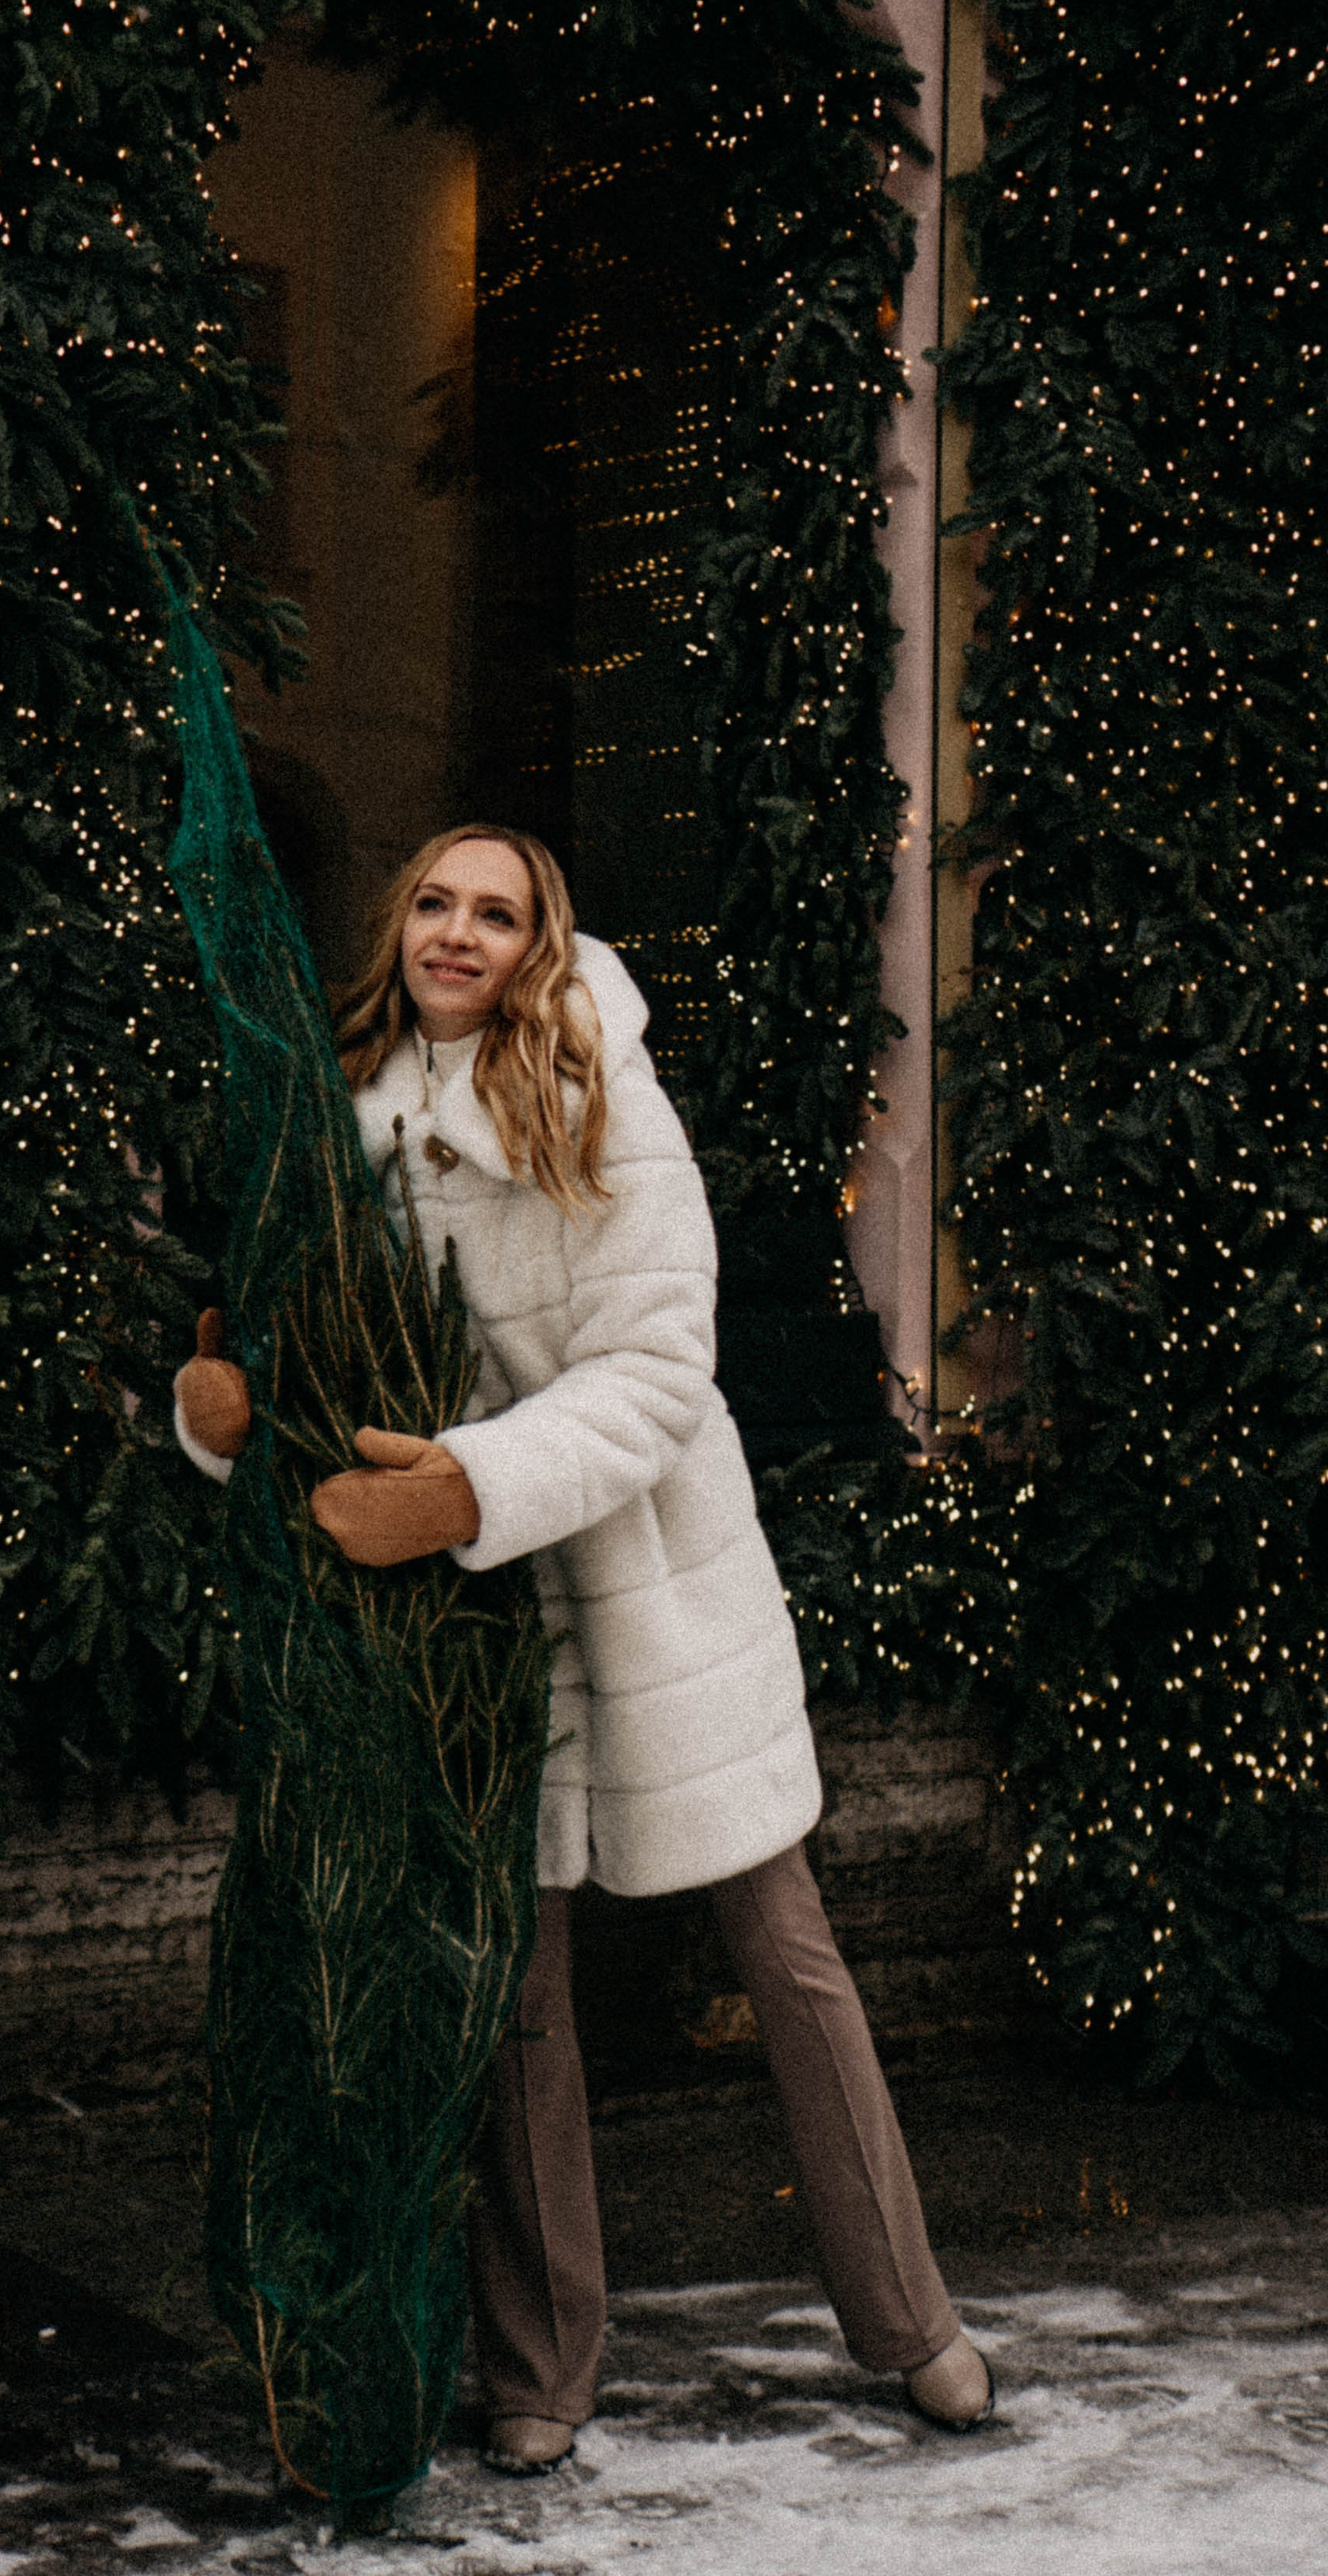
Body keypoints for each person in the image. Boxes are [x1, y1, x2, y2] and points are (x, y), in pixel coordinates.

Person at [173, 826, 995, 2474]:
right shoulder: (340, 1116)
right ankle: (540, 2367)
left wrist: (475, 1482)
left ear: (540, 940)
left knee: (785, 1958)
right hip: (463, 1625)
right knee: (510, 1992)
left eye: (495, 910)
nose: (455, 934)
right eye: (431, 902)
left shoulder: (597, 1089)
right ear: (394, 922)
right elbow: (307, 1351)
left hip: (642, 1583)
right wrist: (222, 1420)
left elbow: (657, 1370)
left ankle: (911, 2324)